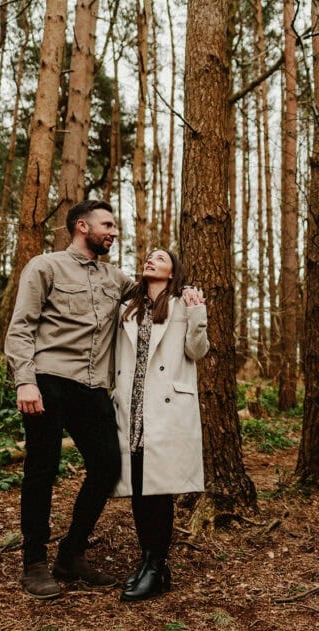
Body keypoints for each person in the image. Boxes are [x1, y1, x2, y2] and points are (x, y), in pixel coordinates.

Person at [5, 199, 135, 599]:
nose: (114, 232)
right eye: (107, 225)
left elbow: (152, 294)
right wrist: (25, 381)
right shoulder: (45, 267)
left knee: (108, 465)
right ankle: (34, 562)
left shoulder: (116, 278)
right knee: (42, 469)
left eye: (114, 226)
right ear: (82, 226)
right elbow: (21, 326)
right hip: (48, 380)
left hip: (93, 386)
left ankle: (71, 554)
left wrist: (185, 290)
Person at [112, 249, 208, 601]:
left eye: (160, 258)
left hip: (166, 409)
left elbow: (197, 351)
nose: (150, 260)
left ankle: (156, 566)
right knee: (139, 488)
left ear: (172, 272)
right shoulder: (128, 307)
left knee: (159, 490)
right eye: (148, 257)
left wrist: (198, 314)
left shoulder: (183, 305)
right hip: (132, 406)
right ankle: (149, 563)